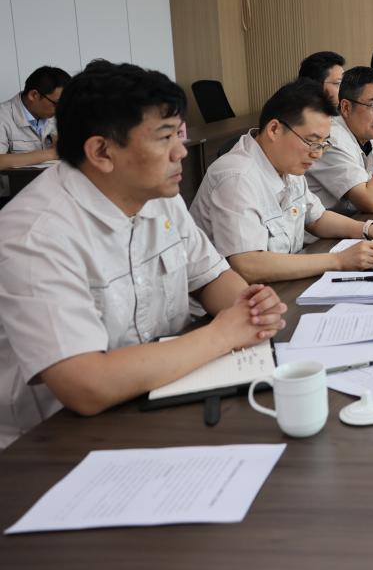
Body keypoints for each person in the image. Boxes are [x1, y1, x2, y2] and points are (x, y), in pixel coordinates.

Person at [0, 61, 285, 450]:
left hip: (157, 398)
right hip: (53, 444)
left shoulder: (156, 195)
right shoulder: (35, 236)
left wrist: (251, 307)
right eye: (165, 137)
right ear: (101, 151)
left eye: (179, 134)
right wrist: (223, 333)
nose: (181, 152)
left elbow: (212, 277)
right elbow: (86, 385)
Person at [191, 80, 373, 284]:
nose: (317, 153)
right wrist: (338, 260)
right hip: (228, 306)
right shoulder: (236, 177)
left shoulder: (286, 163)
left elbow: (316, 217)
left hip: (280, 285)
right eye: (311, 141)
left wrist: (369, 229)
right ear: (274, 129)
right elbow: (249, 265)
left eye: (323, 144)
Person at [306, 66, 373, 214]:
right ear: (346, 108)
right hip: (328, 227)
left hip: (357, 220)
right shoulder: (330, 140)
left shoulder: (371, 132)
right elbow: (371, 201)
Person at [0, 66, 71, 170]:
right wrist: (52, 153)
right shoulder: (3, 116)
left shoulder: (55, 115)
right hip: (19, 181)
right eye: (57, 103)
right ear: (33, 95)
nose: (61, 109)